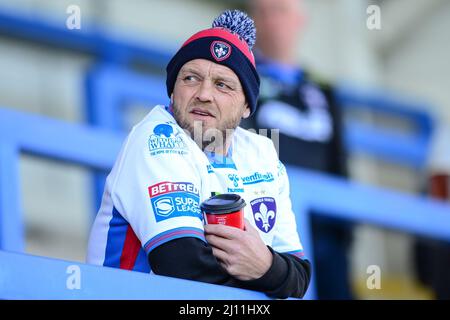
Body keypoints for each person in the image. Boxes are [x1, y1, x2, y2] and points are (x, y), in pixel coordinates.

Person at [86, 10, 311, 299]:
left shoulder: (262, 152)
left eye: (222, 84)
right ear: (172, 91)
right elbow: (182, 262)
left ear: (246, 107)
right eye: (190, 78)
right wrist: (269, 273)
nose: (204, 93)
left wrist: (265, 264)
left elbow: (299, 276)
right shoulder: (156, 137)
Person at [241, 0, 352, 299]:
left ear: (300, 19)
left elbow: (340, 164)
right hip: (267, 220)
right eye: (262, 13)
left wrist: (345, 231)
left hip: (325, 231)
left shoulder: (325, 91)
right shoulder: (241, 79)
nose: (271, 22)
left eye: (280, 11)